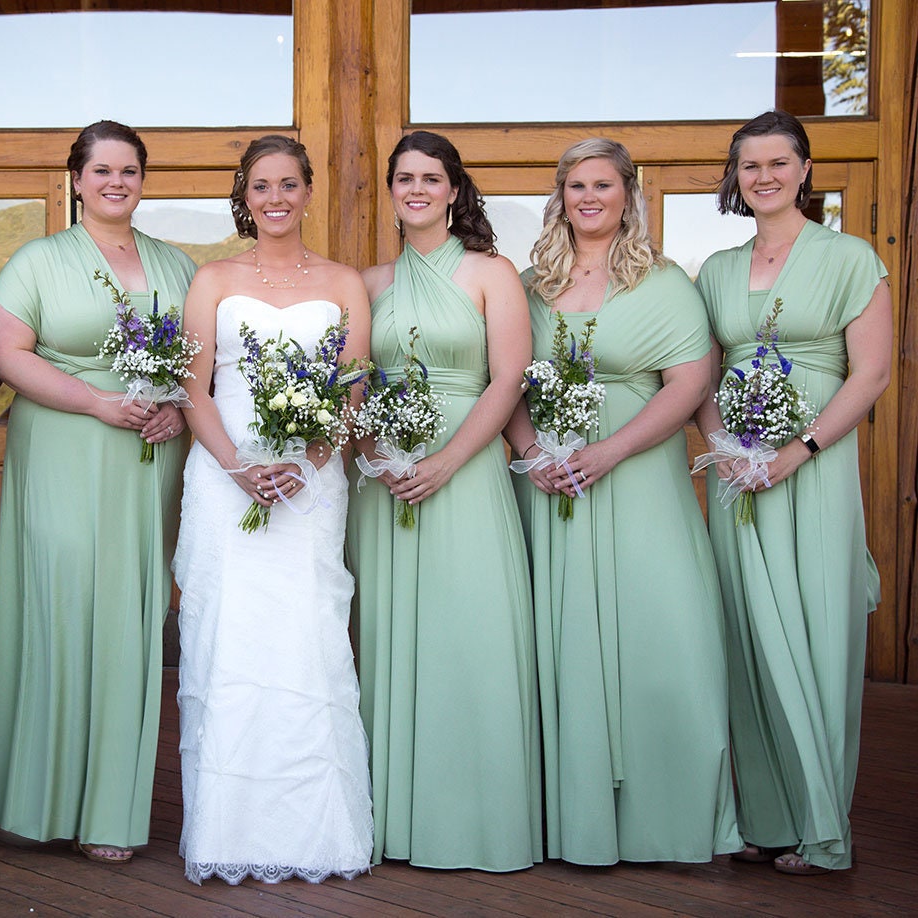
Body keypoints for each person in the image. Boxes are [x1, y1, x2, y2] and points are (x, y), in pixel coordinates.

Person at [505, 138, 741, 865]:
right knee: (558, 636)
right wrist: (530, 452)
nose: (588, 197)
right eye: (576, 185)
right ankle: (567, 811)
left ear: (628, 193)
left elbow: (689, 384)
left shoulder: (665, 281)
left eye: (602, 184)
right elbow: (503, 378)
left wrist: (611, 450)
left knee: (663, 630)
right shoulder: (529, 282)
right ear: (560, 196)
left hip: (638, 477)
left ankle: (663, 812)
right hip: (552, 482)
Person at [0, 121, 196, 864]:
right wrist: (95, 402)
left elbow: (201, 361)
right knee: (63, 607)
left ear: (143, 179)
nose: (116, 181)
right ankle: (42, 800)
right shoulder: (38, 260)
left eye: (129, 170)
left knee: (132, 617)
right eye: (101, 169)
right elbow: (5, 353)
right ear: (76, 179)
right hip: (65, 447)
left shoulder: (177, 264)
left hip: (149, 457)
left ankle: (112, 808)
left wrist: (179, 406)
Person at [694, 111, 891, 876]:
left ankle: (819, 825)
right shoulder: (715, 270)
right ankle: (765, 820)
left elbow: (868, 375)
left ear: (805, 169)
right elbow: (701, 376)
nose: (764, 176)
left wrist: (796, 452)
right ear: (736, 178)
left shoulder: (851, 258)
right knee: (743, 634)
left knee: (815, 634)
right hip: (736, 474)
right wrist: (723, 447)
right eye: (750, 166)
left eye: (779, 163)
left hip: (812, 469)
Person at [173, 134, 373, 884]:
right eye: (262, 186)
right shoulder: (213, 278)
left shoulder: (345, 281)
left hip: (310, 485)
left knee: (307, 637)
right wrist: (237, 467)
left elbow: (351, 390)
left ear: (309, 192)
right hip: (227, 480)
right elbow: (193, 385)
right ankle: (228, 829)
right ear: (245, 196)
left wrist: (308, 461)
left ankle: (318, 834)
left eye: (289, 184)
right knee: (230, 640)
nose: (277, 198)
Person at [347, 130, 541, 871]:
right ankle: (392, 820)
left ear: (455, 191)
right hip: (388, 481)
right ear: (393, 192)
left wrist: (450, 462)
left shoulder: (494, 274)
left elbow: (508, 379)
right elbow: (353, 384)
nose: (418, 189)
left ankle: (482, 820)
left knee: (474, 633)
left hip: (467, 473)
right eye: (405, 178)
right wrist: (376, 454)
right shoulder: (370, 284)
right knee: (391, 640)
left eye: (432, 177)